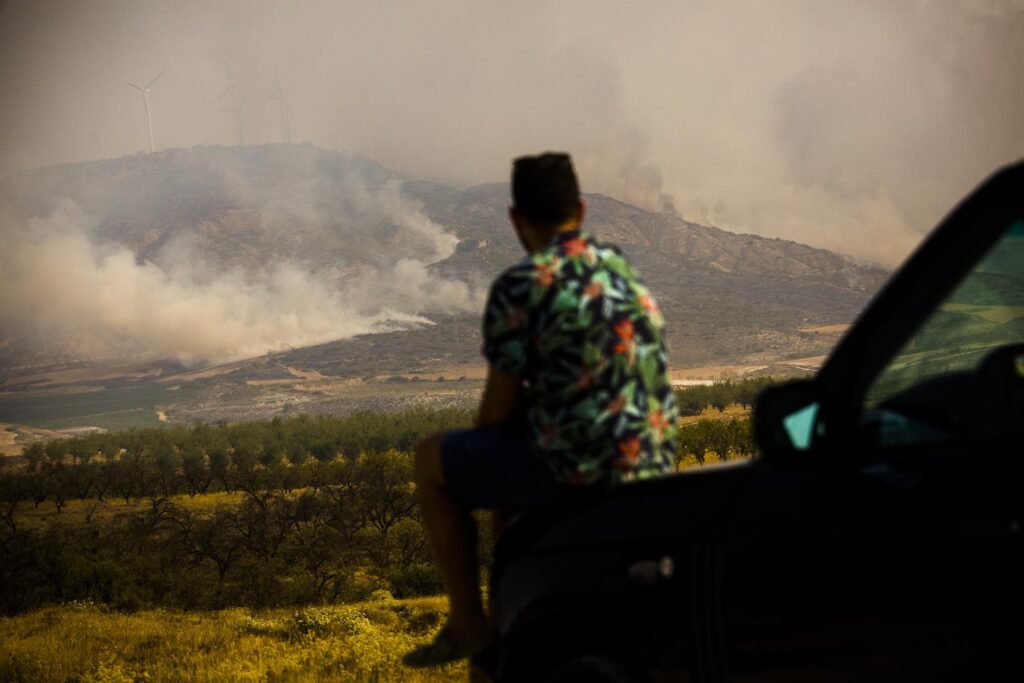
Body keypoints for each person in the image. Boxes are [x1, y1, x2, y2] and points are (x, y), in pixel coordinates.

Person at [402, 152, 678, 667]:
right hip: (654, 464)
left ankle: (468, 626)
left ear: (515, 218)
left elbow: (495, 412)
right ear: (582, 208)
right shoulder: (622, 271)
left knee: (429, 460)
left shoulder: (522, 284)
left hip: (580, 468)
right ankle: (514, 615)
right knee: (513, 470)